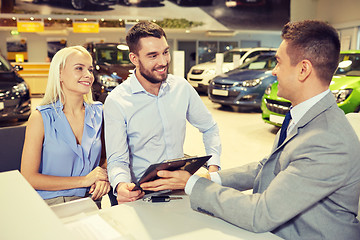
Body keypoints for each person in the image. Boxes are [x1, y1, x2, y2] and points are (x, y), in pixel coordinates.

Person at [142, 20, 360, 239]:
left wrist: (191, 184)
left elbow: (260, 213)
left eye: (278, 62)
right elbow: (267, 167)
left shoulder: (327, 141)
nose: (274, 72)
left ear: (303, 69)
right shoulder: (302, 115)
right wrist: (210, 178)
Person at [104, 21, 221, 204]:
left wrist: (213, 170)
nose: (163, 62)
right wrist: (121, 185)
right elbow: (117, 159)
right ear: (134, 59)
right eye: (153, 56)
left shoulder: (181, 87)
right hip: (142, 196)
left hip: (180, 190)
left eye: (165, 52)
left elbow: (210, 128)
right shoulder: (117, 101)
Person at [21, 46, 110, 207]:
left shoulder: (99, 112)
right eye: (79, 68)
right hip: (51, 205)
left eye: (90, 69)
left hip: (90, 202)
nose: (88, 75)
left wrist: (103, 176)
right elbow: (29, 178)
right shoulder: (40, 118)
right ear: (59, 73)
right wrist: (84, 180)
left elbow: (105, 158)